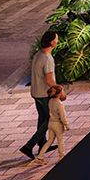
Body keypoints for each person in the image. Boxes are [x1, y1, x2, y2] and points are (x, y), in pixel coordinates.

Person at [18, 31, 58, 161]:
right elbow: (49, 80)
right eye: (56, 39)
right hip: (44, 93)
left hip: (36, 92)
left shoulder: (38, 54)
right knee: (50, 119)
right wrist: (59, 90)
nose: (57, 41)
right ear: (52, 42)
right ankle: (29, 146)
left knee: (42, 118)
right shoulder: (47, 58)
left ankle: (42, 144)